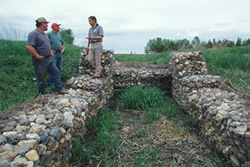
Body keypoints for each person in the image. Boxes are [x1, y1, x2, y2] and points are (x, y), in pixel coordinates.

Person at [26, 17, 65, 95]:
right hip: (41, 60)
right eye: (46, 23)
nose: (47, 25)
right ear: (42, 24)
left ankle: (59, 89)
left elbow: (46, 45)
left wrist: (50, 51)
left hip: (49, 58)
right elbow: (29, 46)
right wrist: (37, 56)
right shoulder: (33, 34)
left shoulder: (44, 34)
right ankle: (42, 94)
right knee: (40, 77)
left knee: (56, 72)